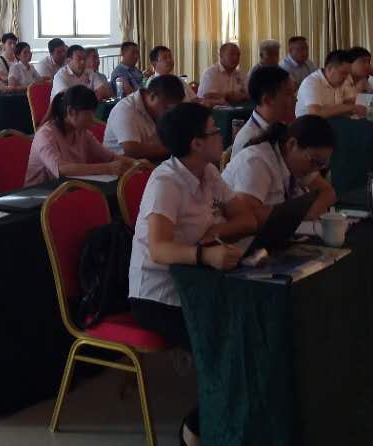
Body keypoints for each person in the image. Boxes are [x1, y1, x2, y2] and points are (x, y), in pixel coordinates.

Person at [128, 101, 256, 446]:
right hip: (158, 294)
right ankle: (194, 429)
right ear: (196, 143)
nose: (221, 135)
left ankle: (238, 416)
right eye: (214, 131)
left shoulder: (209, 172)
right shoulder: (166, 181)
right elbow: (159, 249)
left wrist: (213, 234)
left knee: (249, 324)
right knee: (228, 342)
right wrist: (204, 254)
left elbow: (247, 219)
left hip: (199, 281)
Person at [224, 115, 337, 224]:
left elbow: (328, 193)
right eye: (315, 161)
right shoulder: (257, 161)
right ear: (292, 144)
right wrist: (299, 214)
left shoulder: (300, 164)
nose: (315, 169)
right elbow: (248, 215)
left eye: (321, 164)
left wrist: (308, 211)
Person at [25, 85, 130, 185]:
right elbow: (61, 169)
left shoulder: (82, 132)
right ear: (71, 111)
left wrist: (135, 164)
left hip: (68, 187)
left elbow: (110, 157)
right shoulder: (45, 135)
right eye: (89, 113)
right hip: (40, 193)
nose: (93, 118)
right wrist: (107, 168)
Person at [102, 74, 186, 160]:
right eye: (166, 108)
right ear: (152, 96)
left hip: (152, 162)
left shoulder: (160, 109)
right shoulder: (125, 109)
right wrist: (174, 149)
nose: (169, 113)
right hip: (123, 165)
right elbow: (132, 151)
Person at [231, 64, 299, 155]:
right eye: (288, 93)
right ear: (267, 100)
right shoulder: (250, 142)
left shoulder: (281, 129)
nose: (295, 100)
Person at [296, 50, 367, 119]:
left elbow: (350, 103)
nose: (346, 77)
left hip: (334, 122)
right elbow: (316, 113)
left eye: (348, 73)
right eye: (343, 73)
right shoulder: (311, 82)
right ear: (329, 68)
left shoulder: (342, 80)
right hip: (310, 125)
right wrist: (349, 108)